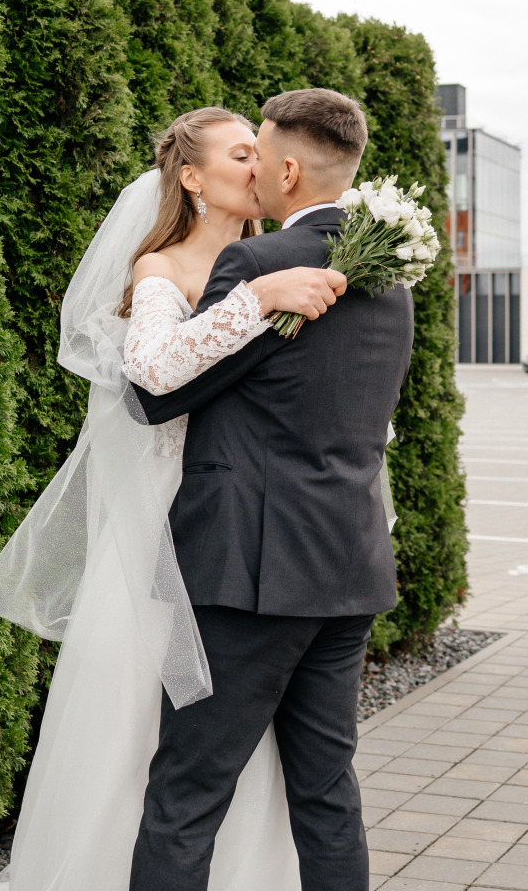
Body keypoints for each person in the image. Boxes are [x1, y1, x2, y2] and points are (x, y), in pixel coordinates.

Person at [0, 105, 349, 891]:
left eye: (262, 150)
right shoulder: (165, 268)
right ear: (191, 177)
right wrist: (258, 298)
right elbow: (149, 371)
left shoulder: (275, 256)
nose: (260, 164)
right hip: (169, 524)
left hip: (256, 531)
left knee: (246, 746)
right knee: (146, 732)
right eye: (242, 151)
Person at [127, 88, 414, 891]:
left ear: (288, 168)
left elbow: (154, 395)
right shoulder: (394, 280)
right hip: (348, 567)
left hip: (248, 575)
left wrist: (251, 299)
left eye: (259, 150)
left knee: (186, 797)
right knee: (326, 795)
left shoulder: (254, 264)